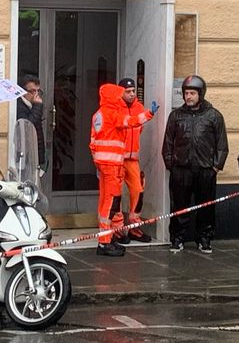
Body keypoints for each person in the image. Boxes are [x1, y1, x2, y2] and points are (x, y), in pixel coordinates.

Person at [162, 75, 229, 254]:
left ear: (201, 93)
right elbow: (168, 142)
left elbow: (222, 145)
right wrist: (170, 163)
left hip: (205, 170)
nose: (188, 96)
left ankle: (205, 239)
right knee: (179, 206)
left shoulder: (214, 116)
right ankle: (177, 239)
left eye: (192, 93)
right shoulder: (176, 116)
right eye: (186, 93)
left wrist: (215, 166)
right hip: (181, 169)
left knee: (206, 207)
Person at [90, 82, 129, 256]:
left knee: (104, 202)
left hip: (103, 164)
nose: (122, 98)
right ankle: (105, 242)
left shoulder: (97, 115)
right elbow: (131, 122)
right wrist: (149, 114)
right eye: (119, 95)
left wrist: (97, 163)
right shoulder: (113, 114)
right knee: (111, 203)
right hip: (112, 166)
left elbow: (93, 142)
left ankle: (107, 237)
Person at [119, 78, 158, 240]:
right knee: (115, 195)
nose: (132, 94)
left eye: (133, 91)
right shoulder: (115, 108)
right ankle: (117, 230)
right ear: (120, 92)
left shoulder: (138, 107)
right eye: (128, 91)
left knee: (138, 190)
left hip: (132, 159)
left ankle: (134, 226)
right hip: (117, 159)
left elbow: (138, 130)